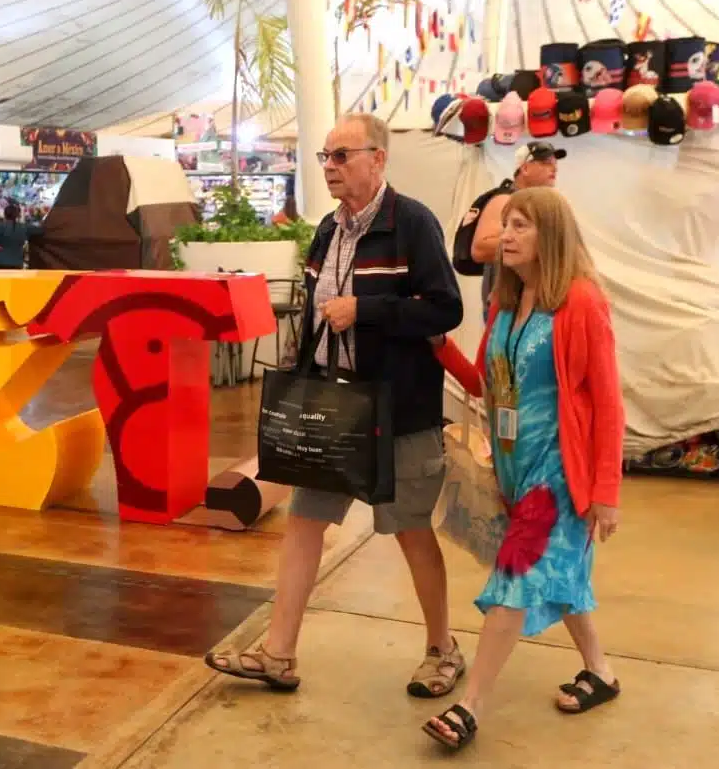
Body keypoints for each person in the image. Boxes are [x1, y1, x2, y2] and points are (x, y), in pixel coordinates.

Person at [204, 113, 466, 697]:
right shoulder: (328, 228)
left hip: (400, 411)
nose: (329, 167)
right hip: (334, 405)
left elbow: (445, 309)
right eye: (325, 156)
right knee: (303, 524)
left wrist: (366, 310)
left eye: (342, 156)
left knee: (411, 531)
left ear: (378, 159)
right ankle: (278, 654)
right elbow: (315, 309)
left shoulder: (412, 224)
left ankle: (442, 649)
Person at [423, 186, 624, 751]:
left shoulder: (582, 302)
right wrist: (440, 347)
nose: (504, 235)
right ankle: (601, 672)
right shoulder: (506, 305)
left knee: (516, 575)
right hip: (515, 471)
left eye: (519, 225)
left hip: (560, 476)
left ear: (550, 236)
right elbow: (490, 387)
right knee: (559, 577)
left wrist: (606, 491)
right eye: (504, 224)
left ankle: (470, 707)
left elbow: (608, 402)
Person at [452, 142, 566, 320]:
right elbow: (480, 249)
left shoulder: (530, 204)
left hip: (522, 302)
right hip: (507, 306)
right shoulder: (506, 199)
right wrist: (539, 243)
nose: (554, 169)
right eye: (545, 163)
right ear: (525, 168)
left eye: (555, 164)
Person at [0, 203, 42, 269]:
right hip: (15, 262)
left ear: (4, 214)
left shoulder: (0, 226)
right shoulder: (24, 227)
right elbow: (41, 231)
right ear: (17, 215)